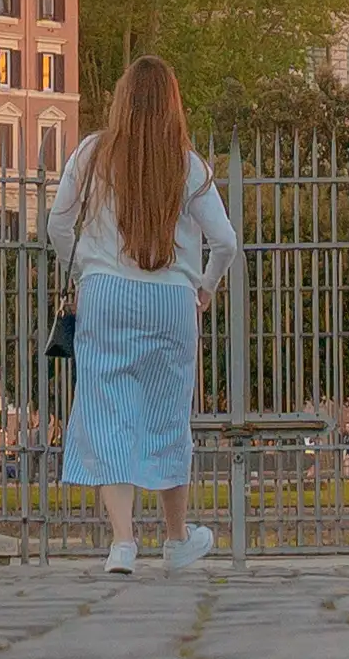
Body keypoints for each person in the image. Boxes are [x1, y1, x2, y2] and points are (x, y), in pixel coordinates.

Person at [49, 55, 240, 577]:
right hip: (172, 298)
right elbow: (225, 242)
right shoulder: (188, 165)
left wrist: (84, 270)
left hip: (106, 293)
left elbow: (58, 225)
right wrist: (204, 287)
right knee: (167, 414)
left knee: (107, 412)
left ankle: (122, 542)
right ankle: (176, 537)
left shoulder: (92, 153)